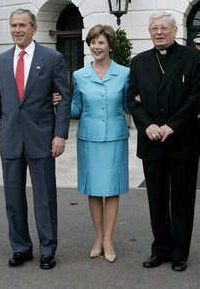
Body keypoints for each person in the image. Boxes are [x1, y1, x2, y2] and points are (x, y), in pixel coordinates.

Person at [0, 8, 71, 270]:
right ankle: (21, 248)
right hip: (11, 139)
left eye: (22, 25)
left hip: (42, 138)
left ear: (34, 29)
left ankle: (47, 249)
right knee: (13, 198)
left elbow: (63, 98)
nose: (17, 30)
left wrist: (60, 134)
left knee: (44, 197)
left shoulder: (52, 58)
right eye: (13, 25)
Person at [127, 12, 200, 272]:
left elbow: (195, 97)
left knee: (182, 199)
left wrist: (172, 125)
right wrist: (147, 124)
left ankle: (180, 252)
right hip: (151, 141)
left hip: (182, 140)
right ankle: (160, 249)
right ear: (149, 32)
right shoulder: (138, 62)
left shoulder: (193, 58)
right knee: (156, 199)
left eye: (164, 28)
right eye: (154, 28)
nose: (159, 32)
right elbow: (131, 99)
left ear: (174, 30)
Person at [70, 25, 130, 263]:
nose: (96, 47)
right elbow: (76, 108)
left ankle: (109, 239)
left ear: (110, 46)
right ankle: (98, 237)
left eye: (101, 42)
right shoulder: (79, 75)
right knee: (94, 189)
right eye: (93, 43)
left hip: (115, 136)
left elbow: (128, 105)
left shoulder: (125, 73)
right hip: (89, 138)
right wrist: (58, 104)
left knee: (112, 188)